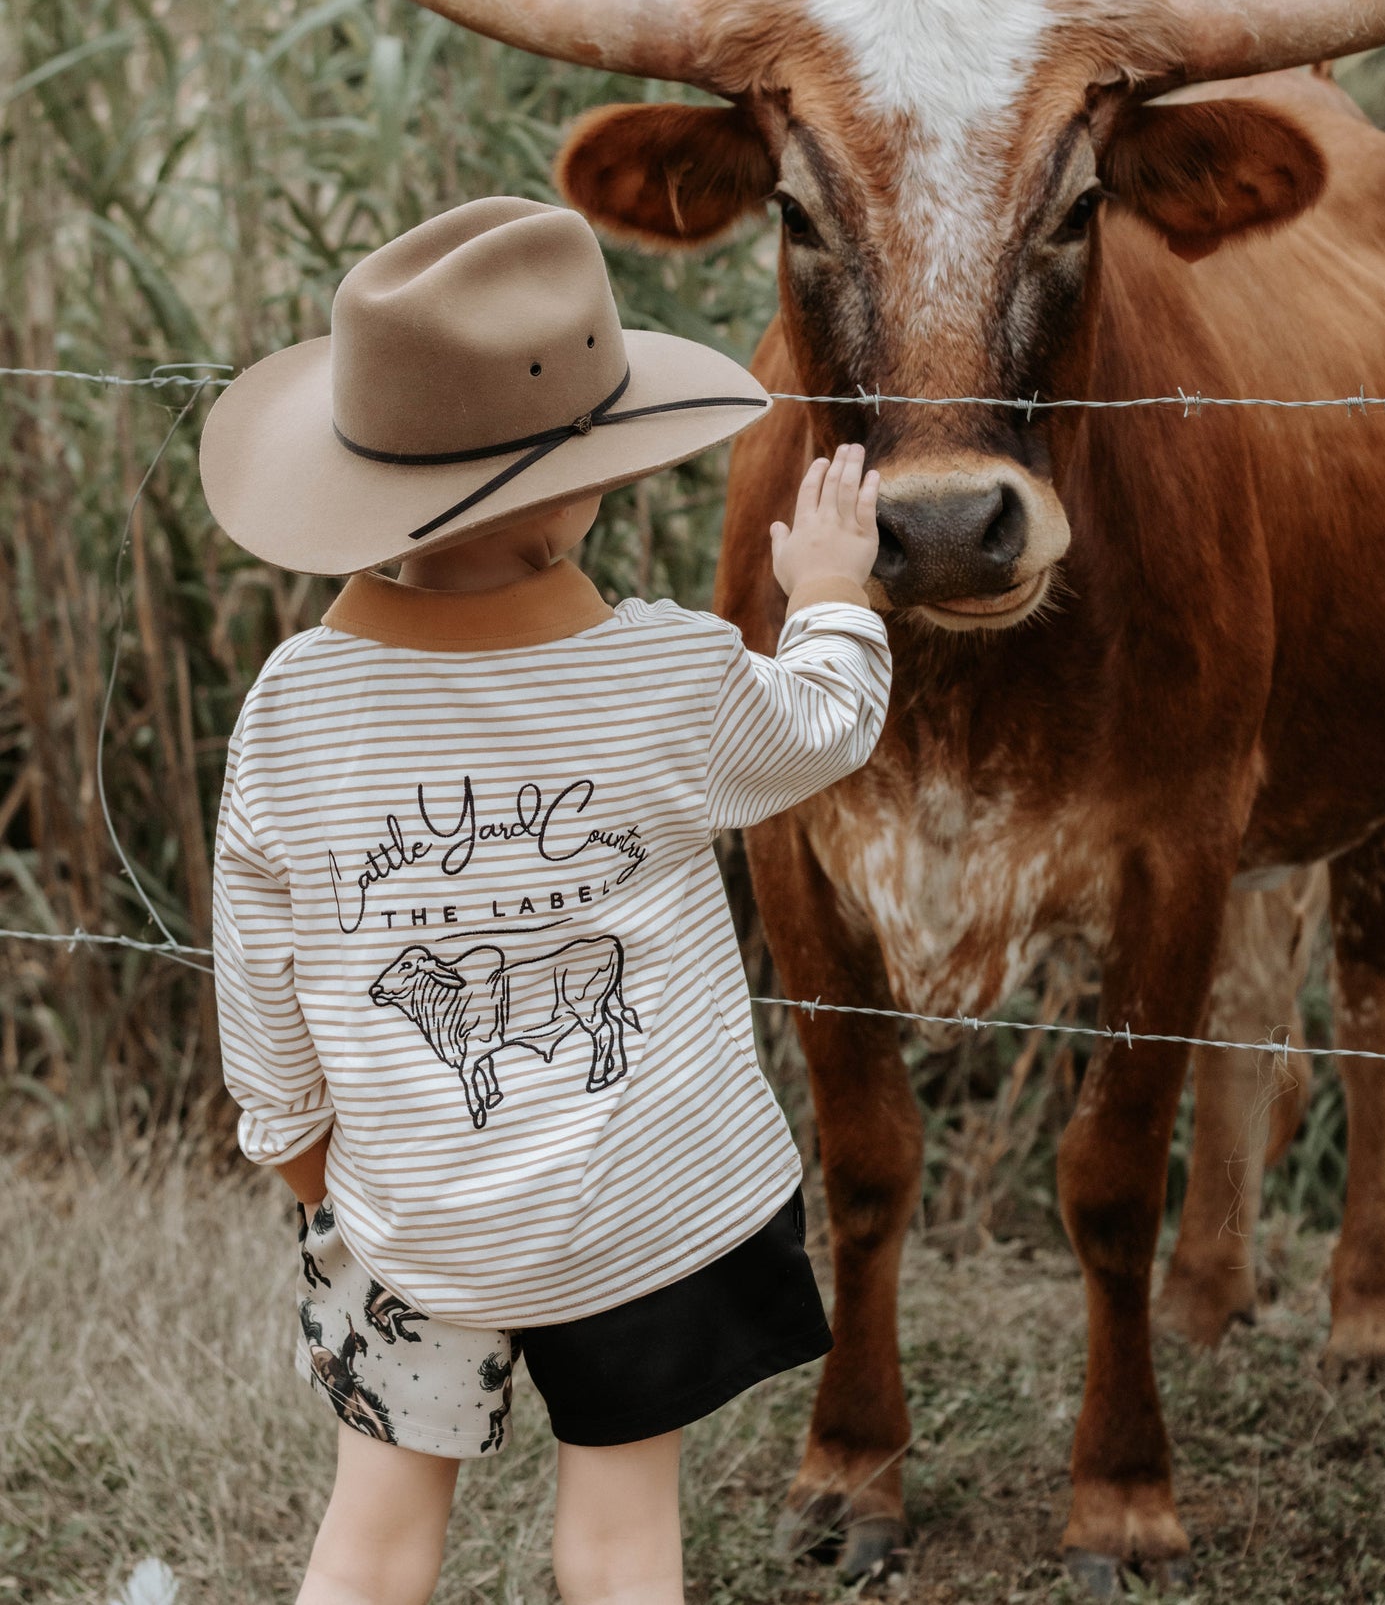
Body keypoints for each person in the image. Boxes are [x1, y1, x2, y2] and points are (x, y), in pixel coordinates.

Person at [201, 195, 891, 1605]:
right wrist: (830, 592)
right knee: (623, 1541)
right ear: (588, 482)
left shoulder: (293, 708)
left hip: (408, 1214)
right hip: (647, 1214)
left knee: (374, 1534)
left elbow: (257, 960)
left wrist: (295, 1147)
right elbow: (827, 723)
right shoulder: (667, 679)